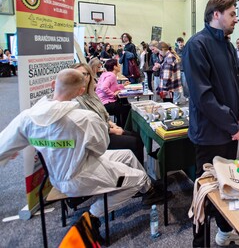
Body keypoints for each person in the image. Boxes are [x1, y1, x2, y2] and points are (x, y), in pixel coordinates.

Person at [0, 69, 165, 241]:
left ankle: (148, 191)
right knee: (138, 178)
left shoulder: (27, 118)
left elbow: (3, 146)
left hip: (57, 176)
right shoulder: (85, 119)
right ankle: (93, 216)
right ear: (80, 91)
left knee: (128, 156)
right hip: (80, 175)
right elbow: (100, 149)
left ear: (53, 85)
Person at [183, 0, 239, 248]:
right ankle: (199, 242)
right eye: (232, 14)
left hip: (231, 131)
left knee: (228, 186)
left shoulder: (229, 46)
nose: (236, 19)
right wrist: (233, 126)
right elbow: (203, 96)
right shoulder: (197, 45)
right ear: (216, 14)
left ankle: (223, 231)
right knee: (205, 192)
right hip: (210, 134)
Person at [72, 63, 145, 166]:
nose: (81, 78)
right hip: (98, 138)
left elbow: (103, 114)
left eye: (85, 74)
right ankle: (137, 174)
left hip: (105, 128)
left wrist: (113, 125)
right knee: (135, 140)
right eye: (78, 74)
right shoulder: (75, 100)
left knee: (137, 136)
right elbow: (91, 126)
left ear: (89, 76)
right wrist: (113, 130)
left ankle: (137, 171)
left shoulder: (91, 94)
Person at [96, 59, 131, 127]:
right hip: (106, 102)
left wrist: (123, 85)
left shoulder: (105, 74)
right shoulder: (112, 75)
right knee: (127, 108)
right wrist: (113, 95)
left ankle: (120, 125)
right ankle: (124, 127)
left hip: (101, 101)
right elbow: (104, 87)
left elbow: (112, 87)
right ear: (114, 67)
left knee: (123, 103)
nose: (120, 66)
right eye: (118, 65)